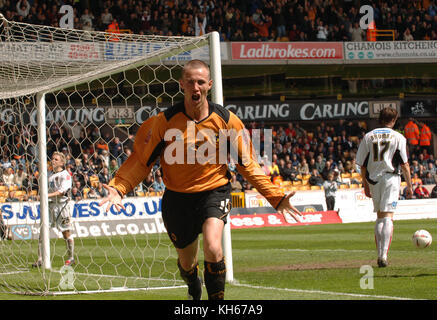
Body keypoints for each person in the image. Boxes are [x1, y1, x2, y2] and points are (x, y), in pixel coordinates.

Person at [99, 59, 301, 300]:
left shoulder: (227, 120)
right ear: (181, 85)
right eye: (191, 82)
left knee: (214, 248)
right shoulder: (164, 122)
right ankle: (192, 280)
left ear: (209, 85)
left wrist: (276, 197)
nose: (196, 87)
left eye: (201, 82)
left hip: (214, 192)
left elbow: (247, 164)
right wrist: (118, 188)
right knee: (187, 262)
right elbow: (141, 161)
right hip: (177, 198)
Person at [356, 107, 413, 268]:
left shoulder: (368, 136)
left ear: (380, 119)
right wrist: (409, 185)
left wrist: (365, 185)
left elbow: (362, 165)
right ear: (394, 120)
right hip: (390, 178)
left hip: (373, 179)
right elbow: (405, 164)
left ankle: (380, 254)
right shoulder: (398, 137)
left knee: (380, 216)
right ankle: (383, 255)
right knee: (388, 216)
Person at [32, 152, 75, 267]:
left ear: (62, 162)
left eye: (56, 159)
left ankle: (71, 257)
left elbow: (62, 192)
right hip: (50, 206)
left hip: (62, 206)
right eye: (52, 159)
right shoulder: (49, 174)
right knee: (42, 233)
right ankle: (40, 259)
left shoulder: (65, 175)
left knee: (66, 233)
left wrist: (45, 195)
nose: (53, 161)